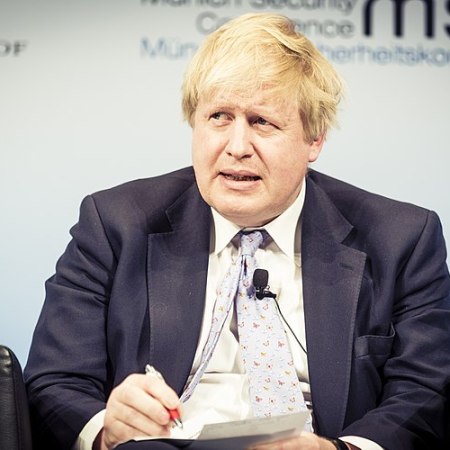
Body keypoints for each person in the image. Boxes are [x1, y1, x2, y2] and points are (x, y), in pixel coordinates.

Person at [24, 12, 450, 450]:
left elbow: (425, 392)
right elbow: (56, 380)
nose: (237, 146)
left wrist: (338, 449)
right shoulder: (115, 223)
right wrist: (106, 429)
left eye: (262, 122)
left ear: (315, 139)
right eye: (219, 117)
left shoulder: (400, 239)